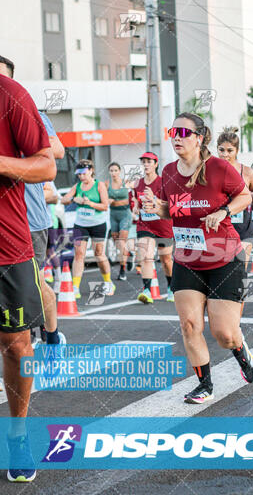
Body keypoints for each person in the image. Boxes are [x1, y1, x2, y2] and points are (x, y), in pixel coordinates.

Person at [143, 112, 253, 404]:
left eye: (184, 132)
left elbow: (244, 196)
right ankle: (205, 385)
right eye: (174, 132)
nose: (177, 137)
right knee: (189, 326)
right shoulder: (168, 172)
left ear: (199, 138)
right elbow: (175, 211)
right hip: (187, 259)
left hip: (223, 258)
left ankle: (240, 348)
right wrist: (157, 208)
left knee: (224, 335)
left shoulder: (219, 168)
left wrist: (224, 211)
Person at [0, 62, 56, 481]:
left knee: (17, 345)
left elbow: (46, 165)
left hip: (8, 248)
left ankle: (18, 436)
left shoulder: (10, 94)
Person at [0, 61, 66, 349]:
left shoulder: (26, 109)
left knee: (36, 285)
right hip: (5, 220)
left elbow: (57, 151)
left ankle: (51, 336)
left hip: (31, 219)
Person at [60, 160, 114, 298]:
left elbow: (105, 206)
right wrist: (73, 200)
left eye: (83, 173)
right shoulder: (77, 186)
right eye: (79, 174)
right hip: (81, 224)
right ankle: (75, 287)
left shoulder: (99, 185)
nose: (81, 177)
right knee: (79, 254)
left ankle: (108, 282)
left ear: (91, 171)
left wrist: (88, 203)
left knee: (99, 255)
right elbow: (63, 199)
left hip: (98, 224)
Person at [216, 128, 253, 272]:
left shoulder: (247, 172)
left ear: (237, 151)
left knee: (239, 270)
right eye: (221, 150)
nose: (225, 154)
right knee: (222, 273)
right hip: (219, 229)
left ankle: (239, 293)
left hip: (242, 229)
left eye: (229, 150)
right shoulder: (209, 171)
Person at [131, 152, 174, 303]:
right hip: (145, 224)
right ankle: (147, 291)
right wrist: (135, 207)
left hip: (163, 225)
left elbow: (170, 204)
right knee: (146, 257)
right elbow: (135, 199)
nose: (146, 164)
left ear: (156, 164)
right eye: (143, 161)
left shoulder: (164, 182)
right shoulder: (138, 183)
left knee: (166, 260)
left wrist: (154, 199)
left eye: (149, 161)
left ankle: (170, 288)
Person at [106, 162, 132, 281]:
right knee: (117, 243)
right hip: (113, 215)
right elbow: (103, 199)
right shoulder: (107, 184)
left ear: (120, 171)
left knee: (121, 241)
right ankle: (129, 254)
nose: (113, 173)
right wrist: (107, 200)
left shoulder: (125, 182)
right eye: (111, 171)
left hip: (125, 214)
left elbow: (128, 200)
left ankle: (122, 270)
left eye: (116, 170)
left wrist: (114, 201)